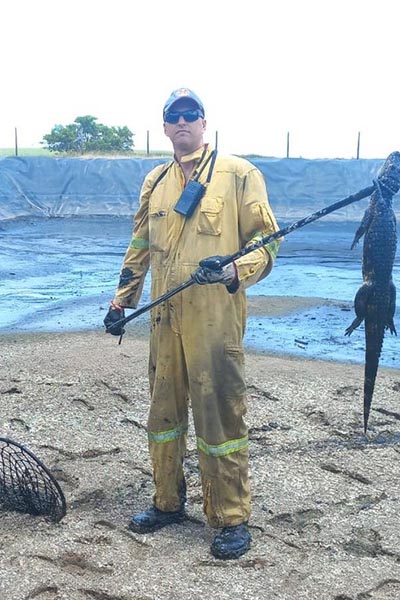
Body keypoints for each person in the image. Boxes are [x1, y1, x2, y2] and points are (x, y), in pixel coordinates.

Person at [103, 88, 280, 559]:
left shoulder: (239, 174)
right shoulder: (155, 180)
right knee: (162, 415)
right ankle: (167, 503)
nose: (182, 123)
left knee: (219, 415)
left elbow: (268, 241)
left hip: (215, 320)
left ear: (204, 123)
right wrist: (121, 302)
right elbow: (139, 244)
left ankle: (231, 518)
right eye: (173, 117)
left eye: (190, 115)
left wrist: (232, 270)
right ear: (164, 127)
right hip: (164, 317)